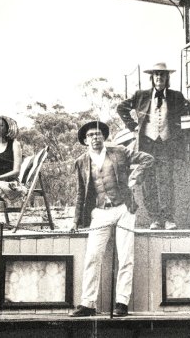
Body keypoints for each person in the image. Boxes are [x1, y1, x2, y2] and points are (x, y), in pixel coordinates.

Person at [117, 62, 190, 230]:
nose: (159, 78)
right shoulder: (141, 95)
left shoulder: (175, 97)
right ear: (152, 78)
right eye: (156, 75)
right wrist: (133, 126)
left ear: (167, 78)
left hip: (165, 144)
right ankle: (155, 219)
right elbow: (121, 108)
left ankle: (168, 219)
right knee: (148, 183)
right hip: (147, 145)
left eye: (162, 75)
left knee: (166, 181)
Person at [69, 121, 154, 317]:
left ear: (104, 137)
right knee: (92, 256)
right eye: (91, 135)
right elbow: (81, 193)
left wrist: (135, 177)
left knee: (126, 257)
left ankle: (121, 303)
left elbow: (147, 159)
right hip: (100, 212)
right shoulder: (81, 162)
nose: (95, 137)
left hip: (124, 209)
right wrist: (75, 220)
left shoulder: (119, 152)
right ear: (85, 139)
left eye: (98, 134)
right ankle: (88, 304)